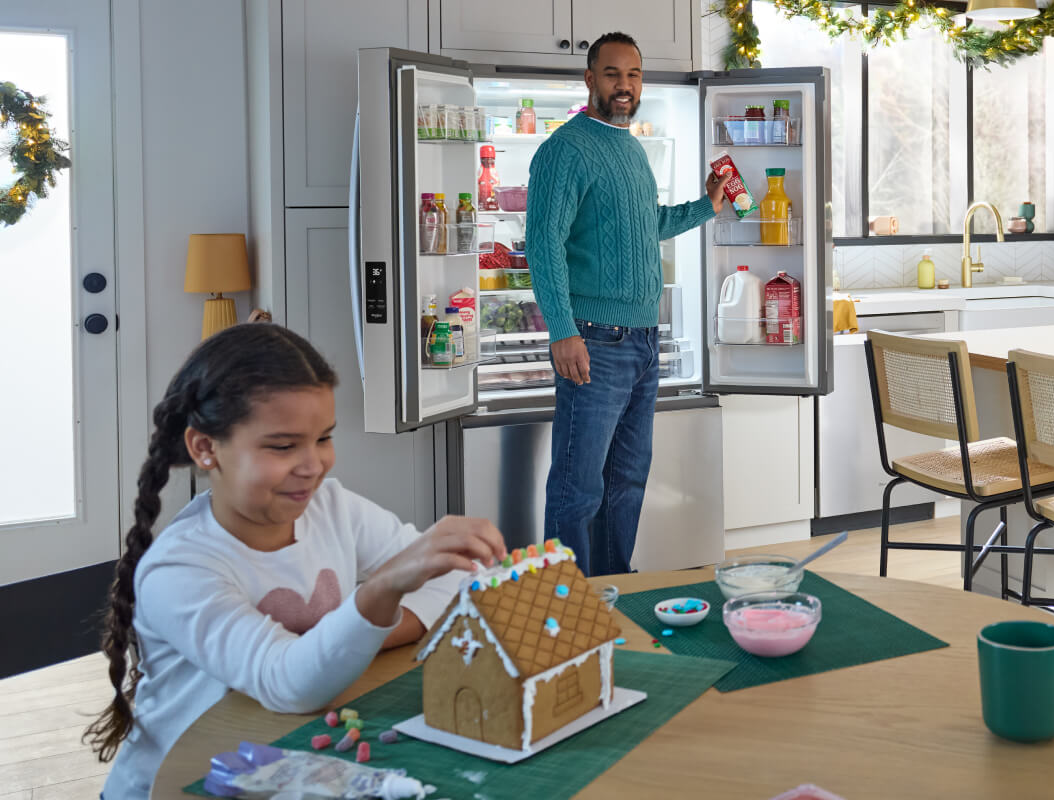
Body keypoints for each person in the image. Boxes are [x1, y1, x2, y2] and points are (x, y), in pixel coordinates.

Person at [87, 324, 507, 799]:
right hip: (178, 785)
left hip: (286, 768)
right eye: (283, 446)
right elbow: (289, 683)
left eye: (323, 438)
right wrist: (379, 593)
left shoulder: (331, 507)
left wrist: (365, 633)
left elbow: (461, 576)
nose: (313, 465)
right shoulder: (181, 570)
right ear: (205, 448)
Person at [527, 31, 725, 576]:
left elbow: (648, 224)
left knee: (628, 482)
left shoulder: (630, 147)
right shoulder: (564, 150)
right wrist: (562, 330)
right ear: (589, 79)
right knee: (578, 487)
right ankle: (567, 605)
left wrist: (706, 206)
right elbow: (542, 245)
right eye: (612, 74)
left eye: (633, 75)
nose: (625, 85)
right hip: (593, 339)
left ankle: (613, 590)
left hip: (641, 342)